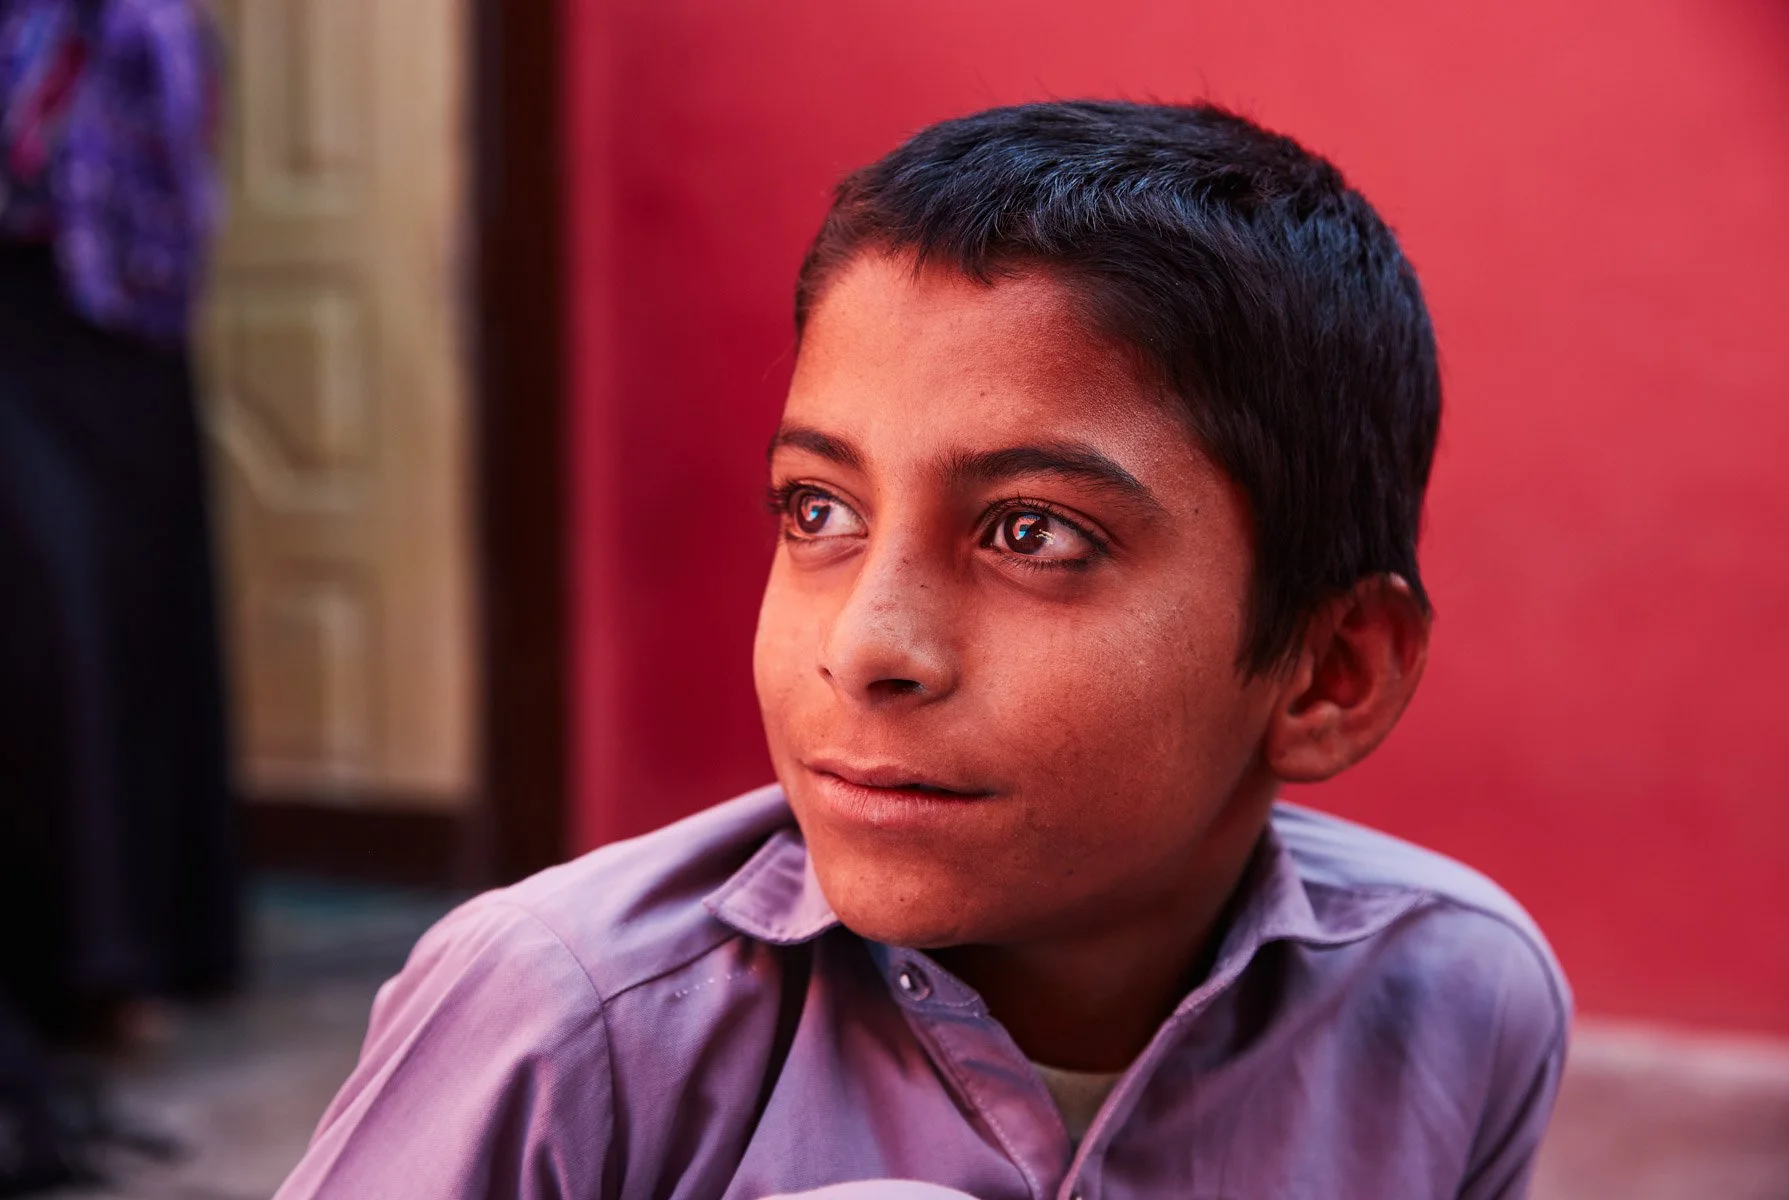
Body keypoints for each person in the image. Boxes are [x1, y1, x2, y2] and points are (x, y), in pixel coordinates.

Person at [275, 101, 1569, 1200]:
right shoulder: (567, 1020)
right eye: (817, 511)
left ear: (1332, 672)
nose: (866, 646)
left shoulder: (1457, 1000)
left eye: (1032, 533)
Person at [0, 0, 236, 1086]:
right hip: (19, 323)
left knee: (138, 624)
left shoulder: (149, 21)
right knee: (51, 626)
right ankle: (68, 962)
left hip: (127, 324)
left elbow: (182, 142)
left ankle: (143, 948)